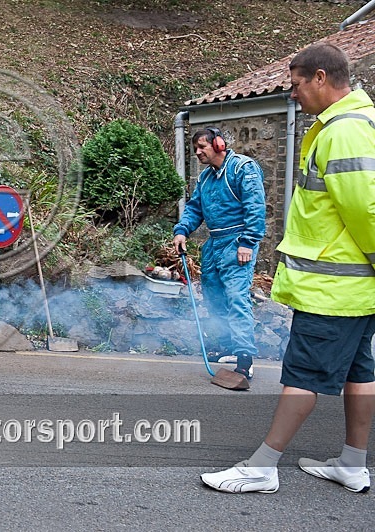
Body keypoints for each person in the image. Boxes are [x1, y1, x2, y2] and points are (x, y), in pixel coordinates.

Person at [201, 42, 375, 494]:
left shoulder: (344, 132)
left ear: (321, 77)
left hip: (335, 289)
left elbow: (367, 210)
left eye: (297, 84)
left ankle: (263, 465)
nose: (293, 94)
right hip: (355, 289)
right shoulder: (355, 123)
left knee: (302, 375)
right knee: (360, 371)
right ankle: (353, 464)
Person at [172, 126, 266, 380]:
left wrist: (248, 242)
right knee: (214, 298)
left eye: (202, 147)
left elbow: (255, 208)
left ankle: (244, 357)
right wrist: (182, 231)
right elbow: (194, 208)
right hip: (214, 244)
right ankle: (227, 347)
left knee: (236, 297)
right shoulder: (205, 178)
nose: (198, 152)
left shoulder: (242, 168)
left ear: (219, 144)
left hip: (237, 242)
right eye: (195, 149)